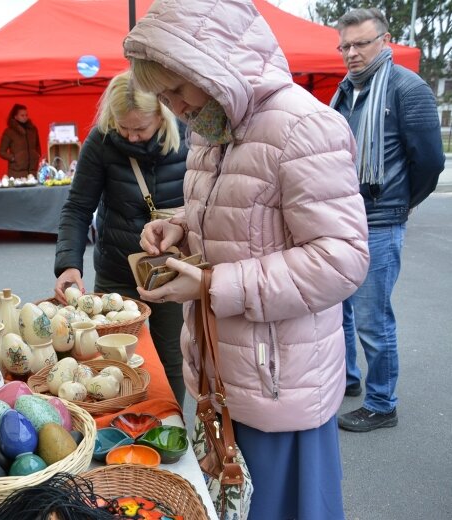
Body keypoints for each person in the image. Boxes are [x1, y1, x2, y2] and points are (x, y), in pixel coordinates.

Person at [124, 0, 369, 517]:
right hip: (228, 371)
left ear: (213, 64)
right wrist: (180, 226)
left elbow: (342, 259)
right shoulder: (212, 131)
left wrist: (215, 286)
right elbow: (236, 219)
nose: (175, 106)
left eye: (177, 87)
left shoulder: (304, 128)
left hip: (280, 380)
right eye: (163, 94)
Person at [330, 8, 445, 433]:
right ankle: (347, 379)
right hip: (341, 219)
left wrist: (401, 203)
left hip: (379, 221)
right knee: (337, 309)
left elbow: (430, 162)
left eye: (361, 43)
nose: (352, 53)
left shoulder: (406, 88)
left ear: (385, 39)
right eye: (345, 46)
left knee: (372, 318)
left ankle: (382, 403)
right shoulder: (345, 91)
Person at [53, 70, 189, 406]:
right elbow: (77, 208)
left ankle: (170, 425)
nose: (130, 136)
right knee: (113, 361)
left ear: (163, 112)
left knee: (171, 357)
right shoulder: (100, 141)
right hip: (117, 272)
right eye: (122, 127)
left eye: (140, 129)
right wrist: (68, 264)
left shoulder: (191, 136)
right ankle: (123, 427)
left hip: (171, 268)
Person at [0, 103, 41, 178]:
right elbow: (1, 152)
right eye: (22, 115)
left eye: (26, 115)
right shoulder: (9, 132)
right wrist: (13, 158)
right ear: (15, 116)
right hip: (16, 173)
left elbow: (37, 146)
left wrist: (37, 155)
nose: (25, 117)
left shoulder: (33, 130)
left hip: (33, 172)